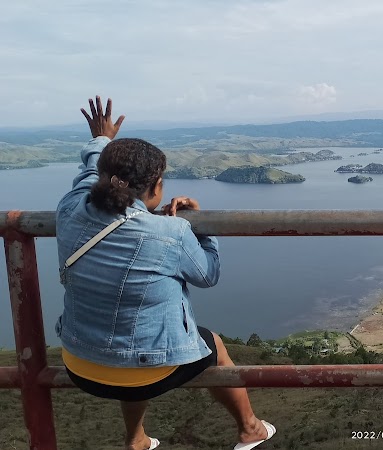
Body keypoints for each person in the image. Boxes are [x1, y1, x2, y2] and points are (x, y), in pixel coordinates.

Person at [55, 96, 275, 450]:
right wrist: (199, 225)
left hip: (80, 364)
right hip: (149, 373)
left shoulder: (70, 209)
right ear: (155, 187)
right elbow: (208, 275)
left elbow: (89, 172)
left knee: (131, 333)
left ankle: (137, 439)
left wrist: (101, 139)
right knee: (213, 344)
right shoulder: (170, 233)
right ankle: (250, 429)